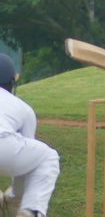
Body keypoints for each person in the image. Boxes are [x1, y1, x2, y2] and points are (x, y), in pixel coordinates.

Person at [0, 53, 60, 217]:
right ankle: (30, 210)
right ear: (11, 82)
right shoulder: (22, 108)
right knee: (48, 157)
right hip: (4, 146)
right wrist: (16, 196)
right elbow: (27, 167)